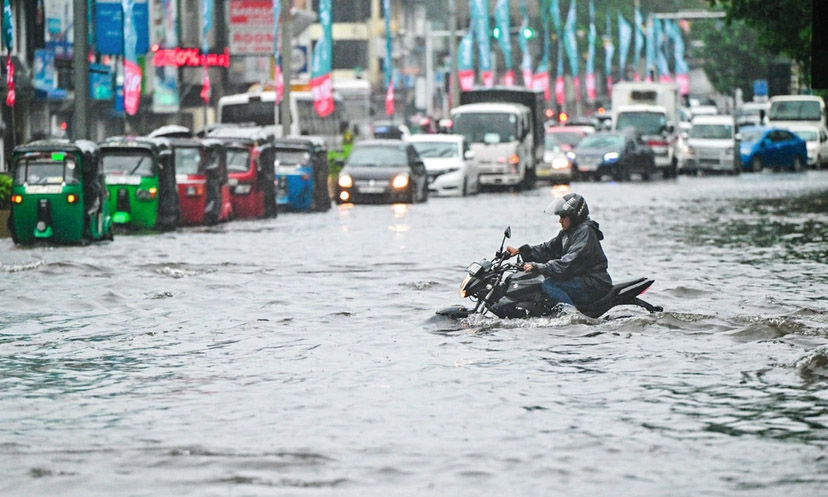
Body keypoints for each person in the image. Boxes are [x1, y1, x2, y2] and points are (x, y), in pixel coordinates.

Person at [504, 193, 612, 308]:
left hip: (593, 283)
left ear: (575, 216)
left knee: (550, 284)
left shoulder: (585, 232)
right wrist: (520, 251)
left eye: (563, 217)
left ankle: (570, 317)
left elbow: (568, 262)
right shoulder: (568, 233)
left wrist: (538, 267)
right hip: (580, 278)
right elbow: (548, 249)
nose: (560, 221)